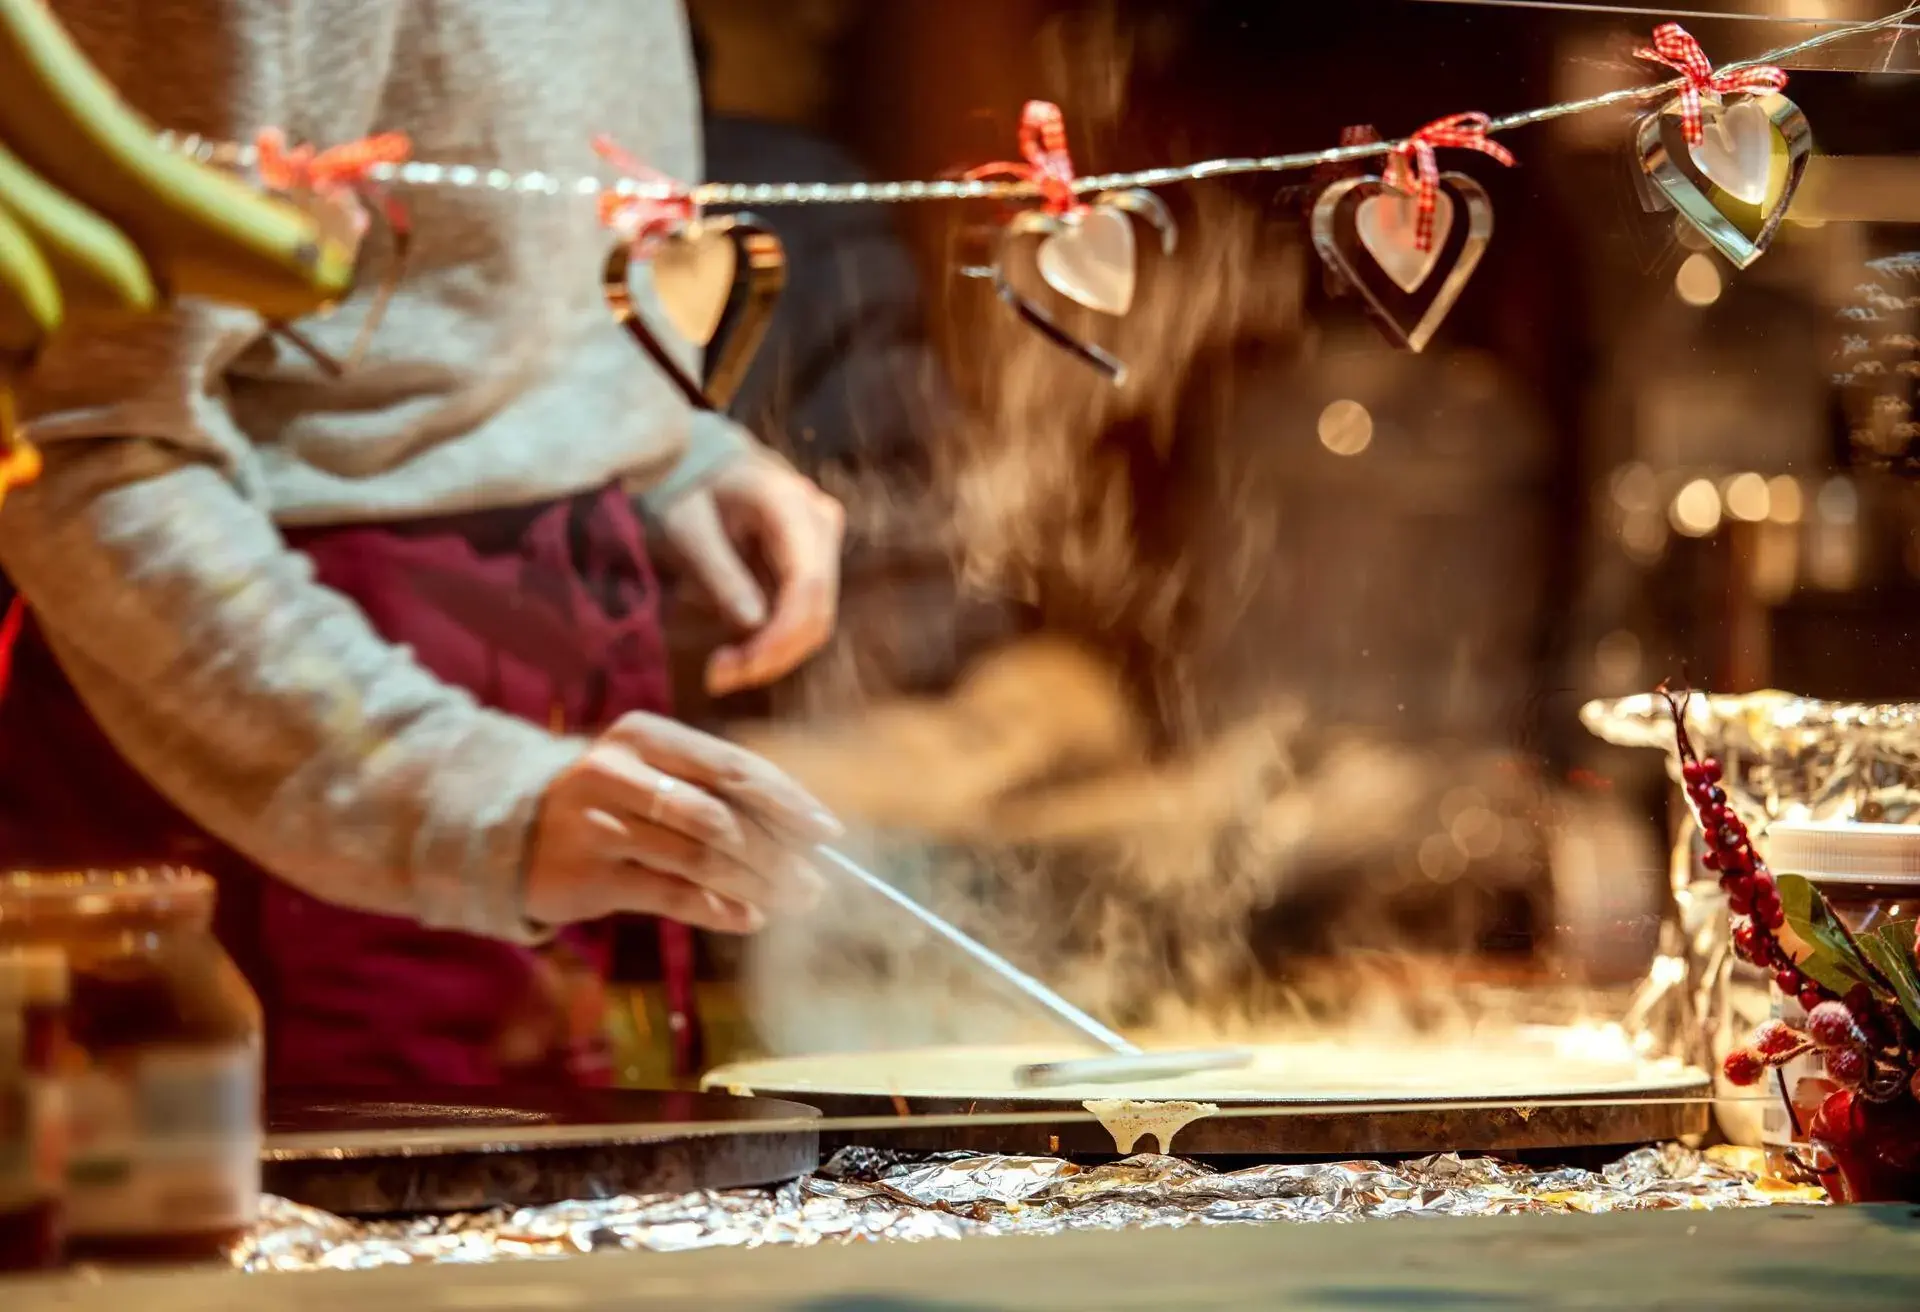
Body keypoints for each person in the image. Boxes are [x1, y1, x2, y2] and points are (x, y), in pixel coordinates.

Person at [0, 0, 845, 1087]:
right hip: (286, 717)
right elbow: (77, 442)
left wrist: (658, 442)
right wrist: (447, 790)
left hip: (539, 686)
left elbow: (477, 271)